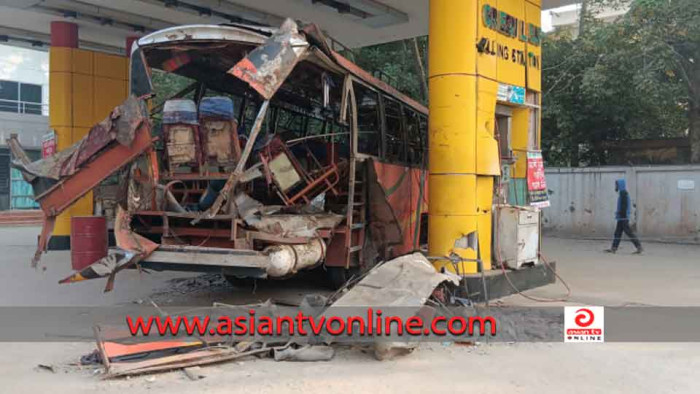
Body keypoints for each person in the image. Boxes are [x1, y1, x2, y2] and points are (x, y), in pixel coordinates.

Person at [605, 179, 643, 254]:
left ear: (620, 185)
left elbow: (624, 206)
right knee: (618, 233)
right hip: (621, 217)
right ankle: (614, 248)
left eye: (617, 185)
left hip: (623, 217)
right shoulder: (622, 193)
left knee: (628, 232)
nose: (616, 186)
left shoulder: (623, 194)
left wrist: (620, 214)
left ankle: (639, 246)